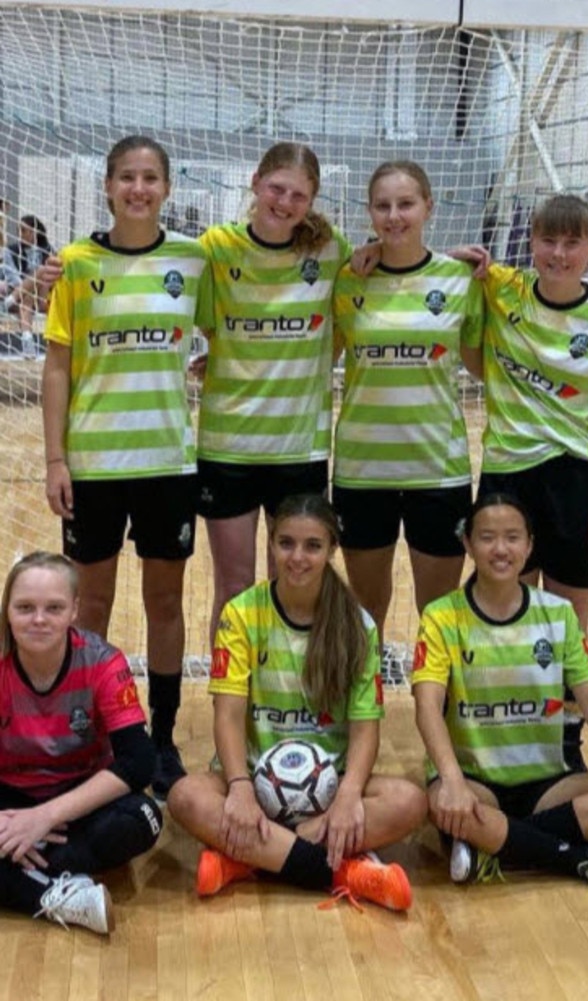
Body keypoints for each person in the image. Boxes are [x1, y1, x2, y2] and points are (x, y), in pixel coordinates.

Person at [41, 134, 215, 801]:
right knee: (95, 605)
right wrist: (57, 457)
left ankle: (164, 735)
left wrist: (207, 361)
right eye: (127, 178)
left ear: (167, 188)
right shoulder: (78, 264)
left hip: (168, 461)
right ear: (109, 186)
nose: (139, 189)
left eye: (150, 178)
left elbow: (224, 327)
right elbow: (57, 364)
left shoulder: (191, 260)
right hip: (95, 463)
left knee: (164, 601)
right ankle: (96, 734)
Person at [168, 494, 426, 911]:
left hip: (330, 787)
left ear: (331, 550)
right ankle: (343, 872)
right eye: (286, 543)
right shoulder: (242, 614)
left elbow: (366, 729)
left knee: (409, 802)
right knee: (185, 797)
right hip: (253, 782)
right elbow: (228, 715)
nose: (298, 557)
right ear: (270, 545)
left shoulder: (356, 624)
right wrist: (238, 788)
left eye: (313, 546)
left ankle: (247, 860)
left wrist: (348, 796)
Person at [472, 194, 588, 769]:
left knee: (570, 622)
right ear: (532, 243)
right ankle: (510, 732)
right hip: (508, 476)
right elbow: (448, 265)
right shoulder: (504, 291)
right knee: (506, 611)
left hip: (577, 481)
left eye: (573, 242)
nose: (559, 253)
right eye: (548, 240)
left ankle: (567, 740)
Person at [412, 494, 588, 901]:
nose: (500, 549)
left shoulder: (559, 615)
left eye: (512, 538)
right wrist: (451, 780)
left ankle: (498, 848)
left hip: (548, 786)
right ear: (468, 545)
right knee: (437, 804)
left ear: (529, 546)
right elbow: (427, 706)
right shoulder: (440, 615)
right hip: (477, 785)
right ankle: (584, 859)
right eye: (487, 537)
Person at [196, 142, 353, 644]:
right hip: (229, 446)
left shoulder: (332, 251)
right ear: (255, 183)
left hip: (299, 448)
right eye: (276, 189)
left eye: (299, 196)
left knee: (295, 585)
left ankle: (285, 695)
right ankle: (231, 701)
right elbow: (202, 321)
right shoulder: (216, 248)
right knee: (235, 586)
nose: (285, 202)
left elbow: (356, 311)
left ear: (313, 201)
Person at [332, 160, 483, 653]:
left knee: (438, 612)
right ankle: (364, 712)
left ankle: (440, 716)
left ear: (428, 207)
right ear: (370, 213)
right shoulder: (348, 279)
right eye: (383, 206)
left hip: (437, 471)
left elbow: (486, 365)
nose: (394, 216)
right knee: (366, 607)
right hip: (362, 469)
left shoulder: (460, 280)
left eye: (406, 204)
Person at [0, 552, 162, 934]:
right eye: (25, 607)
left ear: (74, 609)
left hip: (77, 801)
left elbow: (138, 762)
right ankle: (59, 895)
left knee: (142, 819)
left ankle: (18, 866)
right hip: (9, 799)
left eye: (53, 608)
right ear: (7, 609)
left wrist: (45, 818)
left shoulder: (102, 662)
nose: (39, 619)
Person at [6, 214, 55, 355]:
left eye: (23, 230)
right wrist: (27, 288)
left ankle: (14, 298)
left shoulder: (47, 250)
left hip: (42, 298)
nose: (20, 234)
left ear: (34, 232)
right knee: (26, 300)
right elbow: (11, 276)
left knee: (43, 270)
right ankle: (28, 342)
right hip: (23, 297)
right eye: (18, 230)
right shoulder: (11, 250)